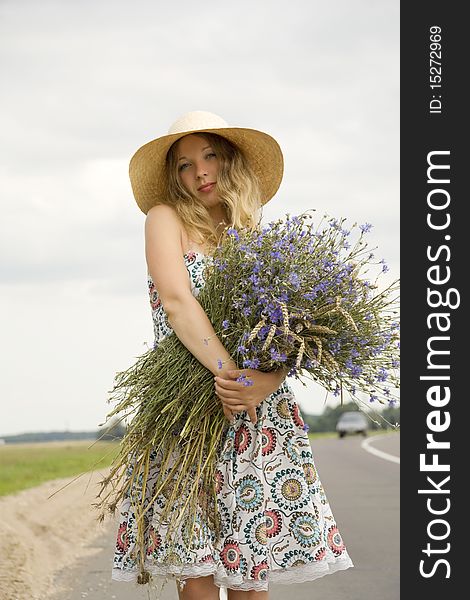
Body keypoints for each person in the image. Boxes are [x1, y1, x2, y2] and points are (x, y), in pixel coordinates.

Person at [111, 111, 354, 599]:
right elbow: (178, 303)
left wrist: (265, 381)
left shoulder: (258, 239)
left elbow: (291, 328)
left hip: (254, 416)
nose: (199, 172)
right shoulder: (165, 220)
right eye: (184, 164)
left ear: (230, 161)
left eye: (210, 156)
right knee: (196, 578)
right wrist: (232, 377)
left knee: (249, 577)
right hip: (189, 410)